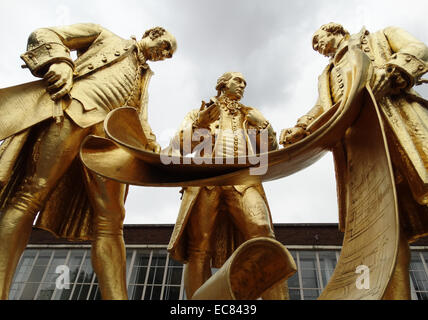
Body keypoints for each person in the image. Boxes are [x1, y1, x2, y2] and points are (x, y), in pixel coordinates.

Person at [0, 23, 177, 299]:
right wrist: (59, 62)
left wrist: (156, 153)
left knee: (112, 219)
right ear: (153, 33)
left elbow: (140, 123)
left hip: (109, 142)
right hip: (73, 112)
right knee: (30, 194)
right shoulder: (105, 35)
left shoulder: (144, 79)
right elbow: (45, 34)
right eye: (165, 47)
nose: (164, 56)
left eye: (168, 55)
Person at [280, 22, 428, 299]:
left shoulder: (380, 37)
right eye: (315, 45)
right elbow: (325, 107)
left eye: (318, 39)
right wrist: (302, 126)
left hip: (401, 123)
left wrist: (394, 70)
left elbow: (418, 48)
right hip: (361, 152)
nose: (318, 46)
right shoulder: (326, 74)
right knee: (385, 233)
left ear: (334, 30)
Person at [167, 71, 290, 299]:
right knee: (199, 248)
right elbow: (178, 148)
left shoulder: (250, 117)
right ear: (223, 84)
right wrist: (199, 124)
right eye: (238, 80)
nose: (243, 85)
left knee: (263, 232)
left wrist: (265, 125)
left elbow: (271, 154)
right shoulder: (201, 112)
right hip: (207, 182)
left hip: (242, 181)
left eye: (245, 82)